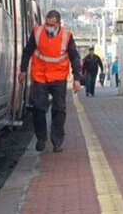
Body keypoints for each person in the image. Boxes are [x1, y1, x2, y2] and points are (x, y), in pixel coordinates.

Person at [19, 10, 81, 152]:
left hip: (58, 77)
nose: (48, 27)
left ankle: (57, 140)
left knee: (59, 109)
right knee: (38, 108)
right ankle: (41, 137)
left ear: (59, 23)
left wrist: (77, 79)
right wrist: (23, 70)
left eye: (51, 24)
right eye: (46, 23)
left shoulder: (67, 36)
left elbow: (75, 57)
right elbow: (27, 51)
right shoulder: (37, 32)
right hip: (40, 76)